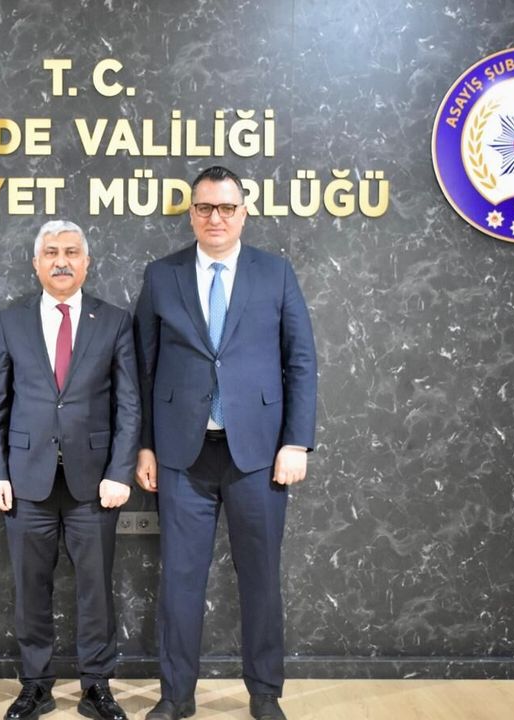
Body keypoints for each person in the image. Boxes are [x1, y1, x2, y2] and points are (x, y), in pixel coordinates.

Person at [133, 167, 317, 720]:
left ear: (244, 213)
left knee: (260, 578)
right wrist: (145, 446)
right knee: (179, 580)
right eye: (205, 207)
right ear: (191, 213)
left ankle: (265, 693)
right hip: (181, 455)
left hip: (258, 455)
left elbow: (300, 361)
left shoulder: (275, 273)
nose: (216, 217)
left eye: (227, 207)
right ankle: (176, 696)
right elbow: (143, 368)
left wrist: (296, 442)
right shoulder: (161, 275)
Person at [0, 220, 140, 720]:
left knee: (96, 590)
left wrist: (120, 471)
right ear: (36, 263)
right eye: (51, 252)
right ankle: (35, 686)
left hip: (94, 483)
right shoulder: (11, 321)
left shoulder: (113, 321)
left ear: (87, 262)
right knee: (30, 589)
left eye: (72, 252)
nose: (61, 261)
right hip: (25, 481)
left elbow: (129, 404)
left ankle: (97, 686)